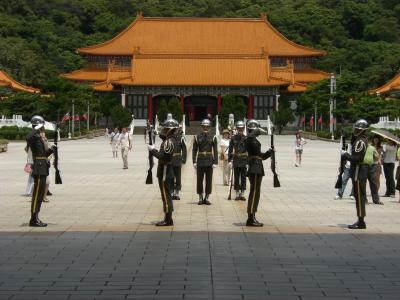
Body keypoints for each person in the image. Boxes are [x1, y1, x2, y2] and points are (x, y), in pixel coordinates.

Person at [147, 118, 179, 226]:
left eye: (165, 128)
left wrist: (153, 150)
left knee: (166, 195)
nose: (163, 130)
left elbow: (163, 157)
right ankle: (168, 217)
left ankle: (168, 219)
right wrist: (153, 132)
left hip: (165, 171)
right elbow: (163, 137)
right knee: (165, 194)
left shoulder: (169, 142)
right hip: (165, 170)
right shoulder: (170, 139)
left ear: (170, 130)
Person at [26, 115, 55, 227]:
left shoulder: (39, 137)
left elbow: (44, 154)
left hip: (43, 167)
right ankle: (33, 219)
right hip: (38, 168)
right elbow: (27, 137)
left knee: (39, 195)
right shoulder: (33, 136)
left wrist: (52, 149)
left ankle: (36, 217)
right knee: (37, 195)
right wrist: (36, 127)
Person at [244, 119, 273, 227]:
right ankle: (250, 218)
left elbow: (260, 156)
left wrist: (269, 153)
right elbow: (250, 137)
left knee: (256, 194)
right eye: (257, 129)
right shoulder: (249, 139)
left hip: (258, 167)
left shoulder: (254, 140)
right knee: (254, 193)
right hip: (254, 168)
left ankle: (252, 216)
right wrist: (255, 131)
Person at [341, 119, 369, 229]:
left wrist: (347, 156)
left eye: (357, 129)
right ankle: (360, 219)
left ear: (362, 130)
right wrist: (353, 137)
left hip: (359, 170)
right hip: (358, 170)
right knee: (358, 196)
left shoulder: (361, 141)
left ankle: (361, 221)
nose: (355, 130)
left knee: (359, 196)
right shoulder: (359, 140)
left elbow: (358, 158)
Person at [192, 118, 218, 205]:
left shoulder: (213, 137)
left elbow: (215, 150)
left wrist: (215, 162)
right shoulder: (197, 136)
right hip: (200, 160)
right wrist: (194, 161)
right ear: (202, 127)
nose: (205, 128)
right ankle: (200, 197)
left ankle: (207, 197)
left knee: (209, 180)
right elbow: (194, 150)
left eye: (207, 126)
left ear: (209, 127)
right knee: (199, 180)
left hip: (209, 160)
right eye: (204, 126)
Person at [228, 121, 248, 200]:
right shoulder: (233, 138)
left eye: (242, 128)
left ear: (243, 128)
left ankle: (242, 193)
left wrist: (248, 162)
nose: (240, 129)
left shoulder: (246, 138)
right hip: (236, 159)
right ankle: (237, 193)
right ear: (237, 128)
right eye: (239, 128)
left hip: (243, 160)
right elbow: (230, 149)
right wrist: (230, 160)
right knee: (236, 177)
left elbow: (248, 151)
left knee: (243, 177)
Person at [171, 128, 187, 200]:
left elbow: (184, 149)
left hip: (177, 159)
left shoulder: (181, 139)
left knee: (178, 177)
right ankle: (171, 192)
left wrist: (183, 159)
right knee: (170, 177)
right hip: (170, 160)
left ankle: (176, 193)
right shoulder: (169, 138)